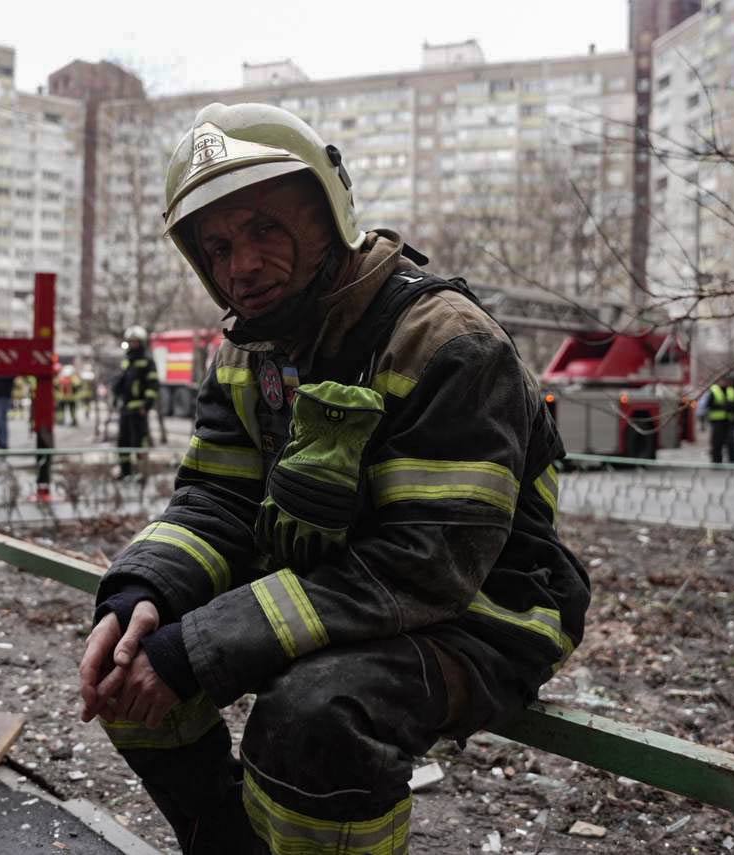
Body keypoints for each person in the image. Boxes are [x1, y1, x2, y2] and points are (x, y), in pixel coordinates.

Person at [77, 102, 589, 855]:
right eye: (217, 246)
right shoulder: (250, 350)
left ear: (330, 213)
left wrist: (202, 646)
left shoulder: (447, 342)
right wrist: (142, 594)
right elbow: (216, 499)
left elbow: (424, 565)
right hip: (333, 588)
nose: (241, 266)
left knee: (313, 717)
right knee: (126, 664)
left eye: (265, 229)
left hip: (485, 610)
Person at [111, 325, 159, 479]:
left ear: (142, 342)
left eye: (135, 341)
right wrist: (115, 391)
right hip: (125, 408)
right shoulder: (127, 360)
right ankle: (125, 472)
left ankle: (141, 472)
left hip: (139, 409)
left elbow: (153, 385)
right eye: (130, 341)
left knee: (139, 442)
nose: (133, 344)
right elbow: (122, 380)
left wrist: (147, 405)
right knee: (123, 441)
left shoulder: (147, 361)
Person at [698, 374, 734, 464]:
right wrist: (722, 405)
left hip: (729, 421)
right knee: (717, 442)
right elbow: (708, 405)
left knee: (730, 442)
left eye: (726, 381)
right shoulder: (714, 390)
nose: (724, 383)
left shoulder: (731, 390)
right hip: (717, 421)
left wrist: (727, 406)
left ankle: (733, 460)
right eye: (722, 381)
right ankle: (716, 460)